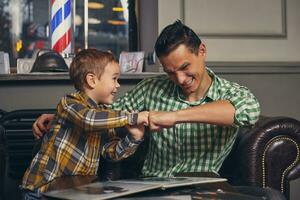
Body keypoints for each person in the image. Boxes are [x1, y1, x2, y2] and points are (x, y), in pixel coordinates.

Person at [33, 20, 260, 178]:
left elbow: (249, 112)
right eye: (170, 72)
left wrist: (174, 117)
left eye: (185, 67)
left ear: (201, 51)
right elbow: (111, 113)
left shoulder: (230, 92)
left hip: (201, 186)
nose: (179, 79)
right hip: (152, 184)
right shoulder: (152, 88)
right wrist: (61, 117)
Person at [21, 49, 148, 199]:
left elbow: (111, 153)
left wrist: (134, 138)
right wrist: (133, 117)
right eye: (114, 79)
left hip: (75, 192)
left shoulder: (104, 114)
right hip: (41, 190)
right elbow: (89, 120)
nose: (118, 85)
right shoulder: (69, 103)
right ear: (92, 80)